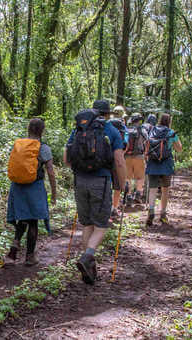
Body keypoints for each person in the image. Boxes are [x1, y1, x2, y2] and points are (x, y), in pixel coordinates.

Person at [64, 99, 127, 285]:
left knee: (87, 224)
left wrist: (79, 169)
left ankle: (89, 269)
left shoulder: (79, 128)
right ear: (108, 114)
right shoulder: (111, 131)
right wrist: (122, 184)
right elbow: (119, 161)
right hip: (101, 180)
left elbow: (67, 157)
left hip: (79, 179)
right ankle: (87, 257)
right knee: (101, 225)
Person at [4, 118, 58, 266]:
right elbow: (51, 173)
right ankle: (29, 256)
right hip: (35, 186)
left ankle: (13, 252)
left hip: (17, 186)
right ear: (42, 131)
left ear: (28, 129)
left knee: (22, 218)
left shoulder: (18, 145)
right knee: (33, 220)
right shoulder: (43, 148)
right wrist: (54, 193)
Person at [144, 113, 182, 226]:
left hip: (153, 163)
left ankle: (151, 211)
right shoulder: (171, 132)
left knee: (152, 189)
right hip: (166, 164)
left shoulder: (152, 130)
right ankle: (163, 213)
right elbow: (179, 149)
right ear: (169, 121)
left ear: (159, 120)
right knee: (165, 189)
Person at [124, 113, 148, 204]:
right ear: (140, 120)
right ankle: (138, 194)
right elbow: (147, 141)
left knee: (128, 177)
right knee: (140, 177)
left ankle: (129, 196)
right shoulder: (142, 130)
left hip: (127, 157)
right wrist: (146, 154)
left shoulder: (127, 129)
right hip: (139, 156)